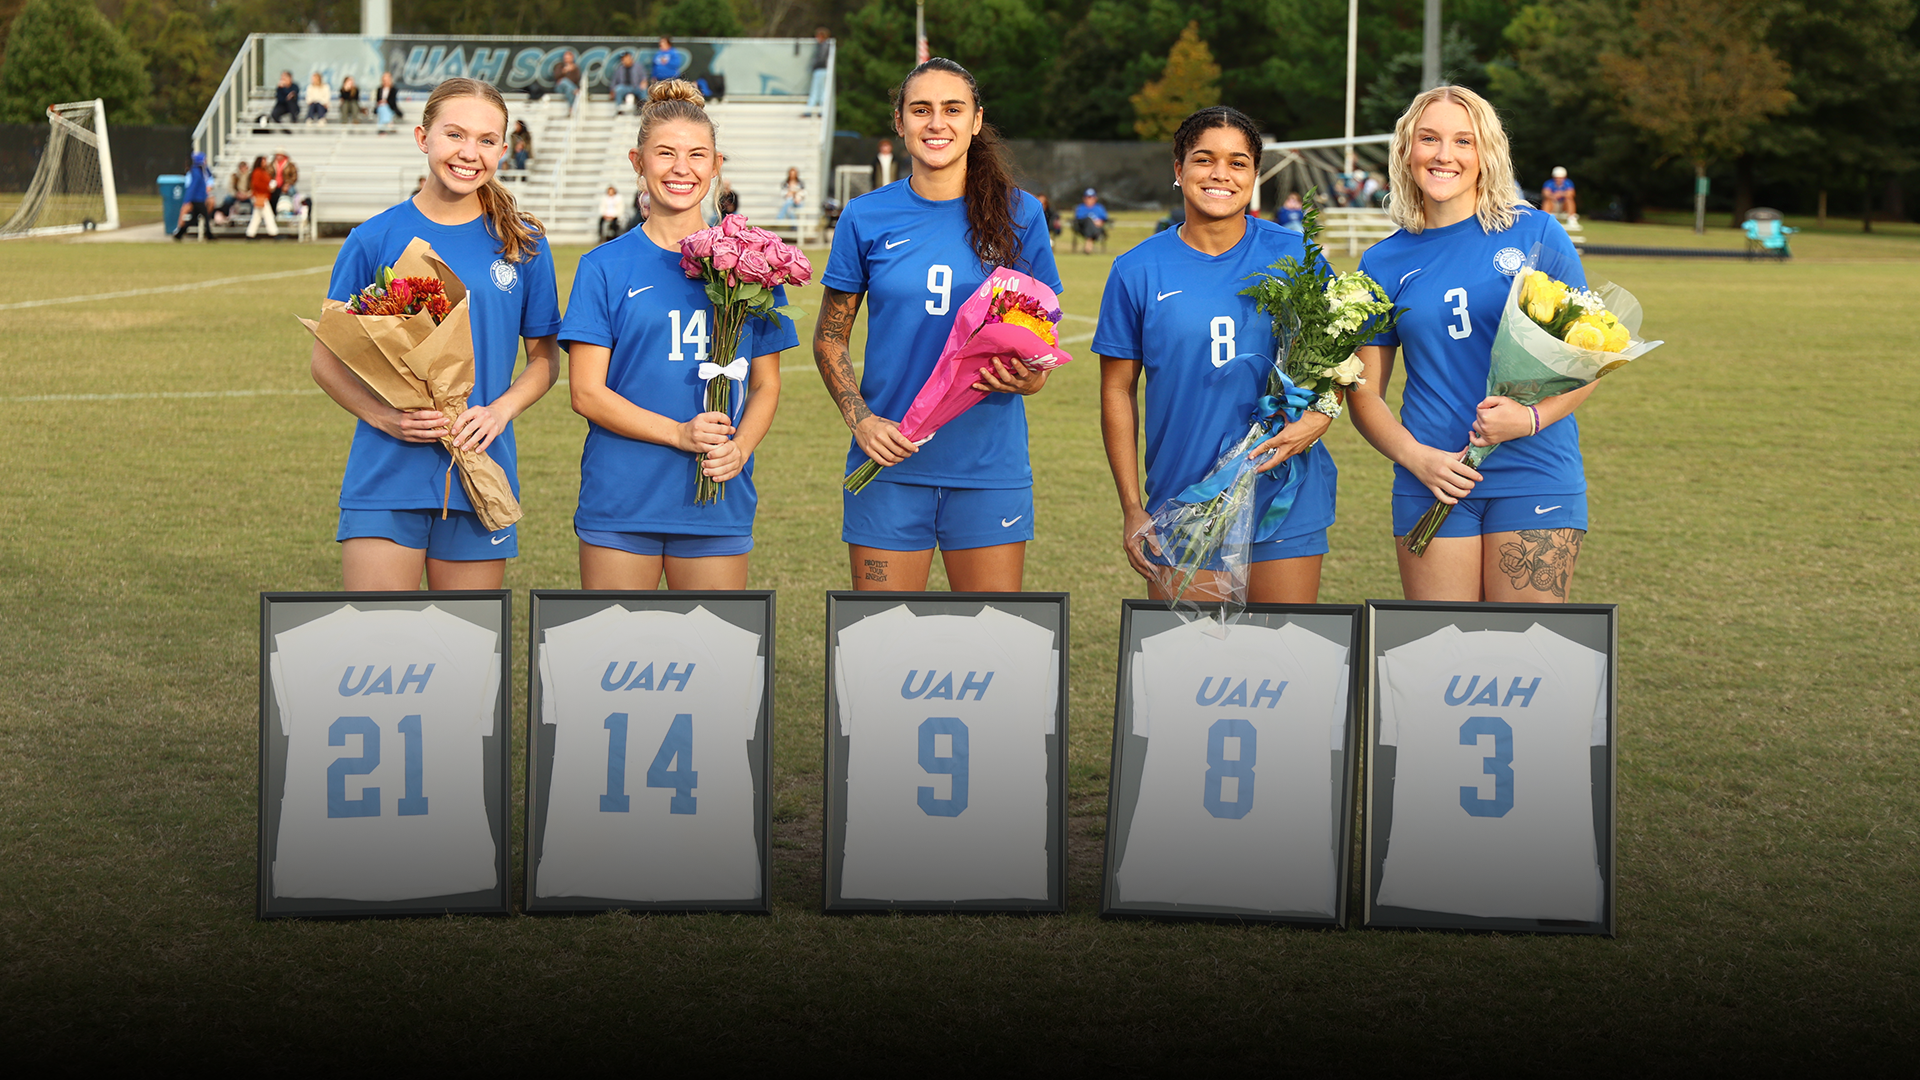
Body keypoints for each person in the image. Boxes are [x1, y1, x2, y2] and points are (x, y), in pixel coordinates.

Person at [814, 57, 1063, 593]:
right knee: (877, 642)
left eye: (953, 109)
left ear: (976, 121)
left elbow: (1040, 342)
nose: (936, 123)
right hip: (887, 465)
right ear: (899, 122)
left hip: (988, 468)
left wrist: (1033, 377)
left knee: (991, 643)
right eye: (920, 109)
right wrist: (861, 420)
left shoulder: (1022, 215)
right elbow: (831, 335)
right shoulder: (864, 216)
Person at [308, 77, 562, 590]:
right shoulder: (372, 238)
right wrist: (384, 418)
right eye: (455, 135)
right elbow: (326, 360)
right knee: (379, 650)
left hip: (479, 472)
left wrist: (499, 411)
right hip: (386, 475)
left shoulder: (524, 243)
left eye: (487, 141)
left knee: (464, 658)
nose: (470, 153)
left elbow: (546, 360)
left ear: (504, 151)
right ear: (423, 138)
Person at [1348, 85, 1591, 603]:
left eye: (1463, 141)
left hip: (1535, 471)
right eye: (1429, 138)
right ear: (1406, 150)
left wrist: (1528, 419)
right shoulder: (1382, 263)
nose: (1444, 155)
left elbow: (1587, 362)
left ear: (1487, 151)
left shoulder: (1537, 233)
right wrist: (1417, 458)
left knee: (1528, 654)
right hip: (1431, 479)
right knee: (1442, 657)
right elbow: (1364, 394)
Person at [1095, 107, 1339, 604]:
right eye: (1204, 159)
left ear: (1254, 175)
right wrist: (1132, 507)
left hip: (1283, 494)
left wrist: (1322, 415)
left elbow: (1343, 362)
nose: (1221, 174)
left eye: (1239, 162)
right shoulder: (1136, 269)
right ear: (1179, 168)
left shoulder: (1300, 257)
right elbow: (1117, 390)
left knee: (1287, 665)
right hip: (1183, 501)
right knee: (1189, 672)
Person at [560, 79, 797, 590]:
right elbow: (585, 392)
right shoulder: (603, 266)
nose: (681, 168)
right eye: (664, 153)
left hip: (715, 498)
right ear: (637, 161)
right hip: (622, 500)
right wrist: (678, 433)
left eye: (697, 155)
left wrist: (741, 447)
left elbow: (766, 384)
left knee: (713, 662)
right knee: (609, 658)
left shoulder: (751, 264)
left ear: (715, 166)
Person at [172, 151, 216, 241]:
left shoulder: (201, 170)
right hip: (197, 199)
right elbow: (193, 186)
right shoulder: (196, 172)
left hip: (199, 198)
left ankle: (180, 233)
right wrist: (188, 199)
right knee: (205, 217)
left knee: (193, 219)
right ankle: (209, 235)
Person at [245, 155, 277, 238]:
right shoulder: (257, 172)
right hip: (259, 195)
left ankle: (250, 233)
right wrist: (268, 188)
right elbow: (257, 185)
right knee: (268, 215)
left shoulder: (263, 172)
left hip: (262, 195)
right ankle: (273, 232)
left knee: (257, 217)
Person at [804, 26, 832, 117]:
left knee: (816, 90)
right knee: (821, 91)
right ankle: (821, 111)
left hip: (820, 70)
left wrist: (813, 66)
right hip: (822, 70)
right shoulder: (825, 46)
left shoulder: (824, 46)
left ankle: (809, 111)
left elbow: (821, 59)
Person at [1074, 188, 1108, 253]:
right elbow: (1078, 220)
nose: (1089, 200)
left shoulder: (1099, 208)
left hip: (1097, 228)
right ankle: (1090, 242)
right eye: (1087, 198)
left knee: (1092, 226)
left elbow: (1104, 219)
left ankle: (1088, 245)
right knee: (1088, 221)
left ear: (1095, 198)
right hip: (1083, 229)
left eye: (1091, 198)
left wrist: (1099, 222)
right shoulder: (1081, 208)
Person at [268, 148, 297, 216]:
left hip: (286, 184)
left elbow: (294, 176)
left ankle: (293, 210)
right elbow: (268, 174)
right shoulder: (271, 165)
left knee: (292, 192)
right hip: (274, 185)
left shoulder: (290, 165)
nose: (278, 157)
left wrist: (288, 183)